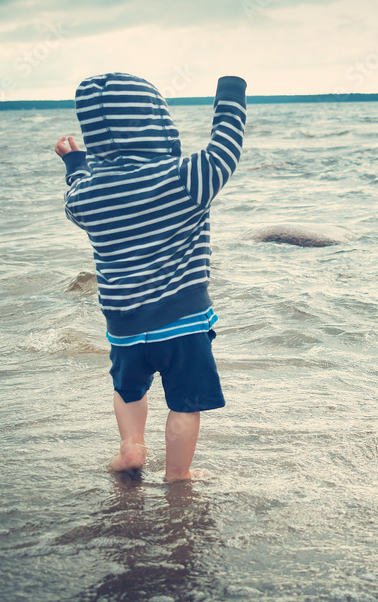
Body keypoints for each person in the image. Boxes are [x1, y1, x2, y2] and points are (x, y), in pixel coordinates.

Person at [56, 72, 247, 481]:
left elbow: (74, 197)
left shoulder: (91, 194)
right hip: (182, 323)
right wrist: (230, 95)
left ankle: (131, 449)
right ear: (159, 122)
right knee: (184, 403)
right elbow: (225, 148)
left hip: (123, 327)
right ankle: (178, 474)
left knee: (128, 390)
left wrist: (76, 163)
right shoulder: (186, 178)